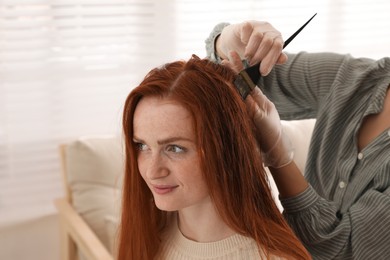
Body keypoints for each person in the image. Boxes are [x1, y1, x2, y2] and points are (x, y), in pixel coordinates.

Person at [205, 20, 390, 259]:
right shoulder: (356, 78)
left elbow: (343, 249)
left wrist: (279, 158)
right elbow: (243, 80)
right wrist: (228, 42)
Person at [117, 55, 311, 259]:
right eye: (142, 145)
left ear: (225, 148)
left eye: (174, 148)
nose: (152, 171)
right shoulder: (145, 237)